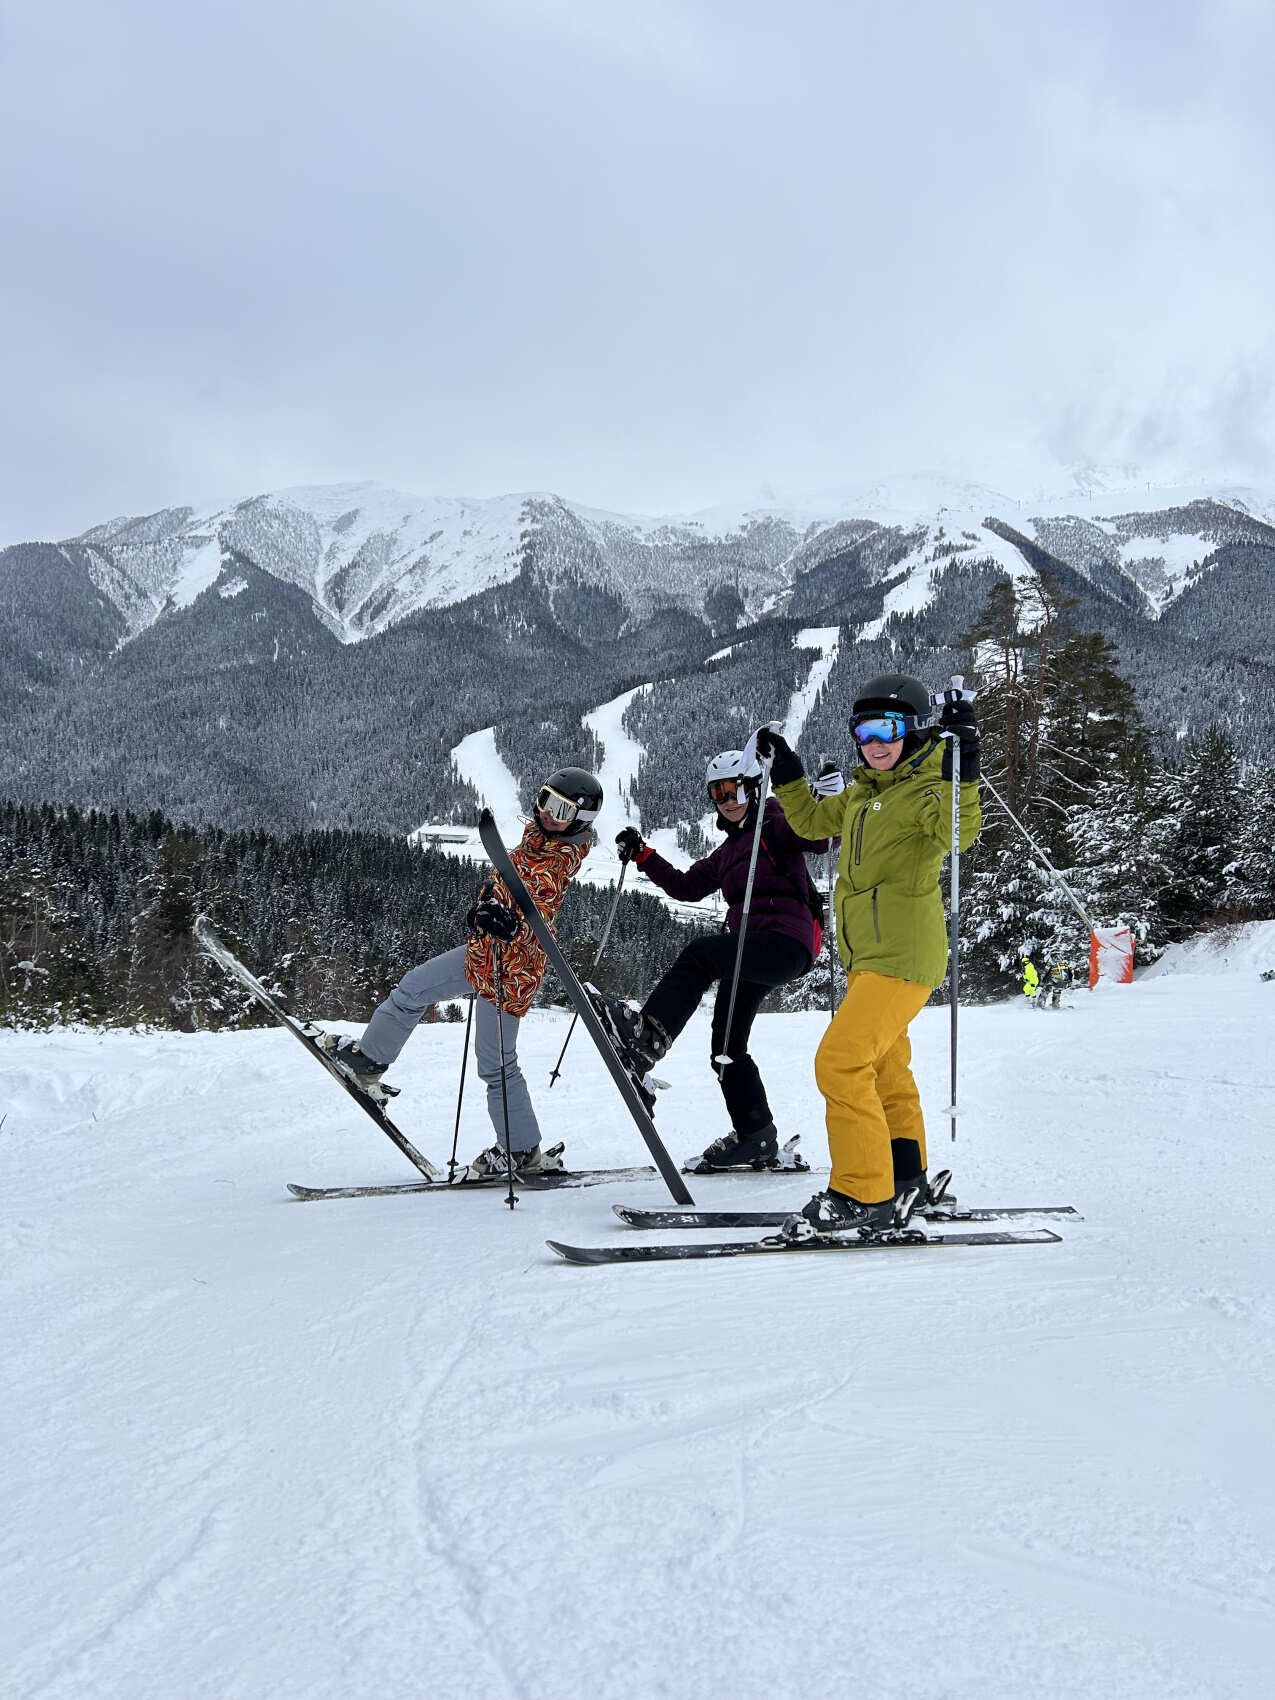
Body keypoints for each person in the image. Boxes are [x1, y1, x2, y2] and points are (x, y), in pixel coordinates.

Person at [756, 672, 982, 1233]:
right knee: (884, 1068)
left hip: (903, 958)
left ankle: (863, 1193)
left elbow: (959, 833)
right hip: (868, 960)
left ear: (914, 730)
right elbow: (809, 821)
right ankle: (906, 1177)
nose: (875, 743)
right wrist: (788, 770)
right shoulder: (862, 794)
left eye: (888, 728)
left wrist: (964, 771)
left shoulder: (928, 788)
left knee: (840, 1062)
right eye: (864, 730)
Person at [321, 767, 602, 1177]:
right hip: (482, 955)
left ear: (580, 819)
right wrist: (485, 909)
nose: (547, 813)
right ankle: (369, 1062)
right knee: (413, 988)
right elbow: (506, 885)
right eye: (544, 800)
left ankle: (522, 1149)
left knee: (497, 1065)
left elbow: (540, 911)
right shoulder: (538, 840)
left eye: (560, 809)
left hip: (512, 972)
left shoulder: (557, 861)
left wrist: (513, 925)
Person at [591, 749, 833, 1171]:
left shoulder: (774, 822)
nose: (727, 798)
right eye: (718, 792)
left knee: (701, 954)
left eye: (735, 787)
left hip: (786, 942)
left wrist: (826, 800)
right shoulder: (729, 850)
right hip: (747, 949)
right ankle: (755, 1135)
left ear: (755, 786)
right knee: (726, 1046)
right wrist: (645, 856)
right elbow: (687, 887)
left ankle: (650, 1037)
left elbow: (819, 838)